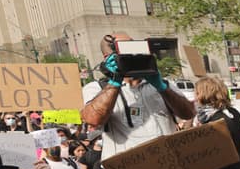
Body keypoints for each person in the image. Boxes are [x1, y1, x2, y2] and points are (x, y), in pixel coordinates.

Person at [80, 33, 196, 161]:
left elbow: (188, 113)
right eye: (125, 50)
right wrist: (114, 82)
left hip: (169, 165)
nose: (132, 55)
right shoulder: (97, 88)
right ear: (108, 58)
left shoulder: (163, 84)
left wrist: (161, 87)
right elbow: (93, 119)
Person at [194, 75, 240, 169]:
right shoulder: (232, 113)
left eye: (196, 93)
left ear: (204, 94)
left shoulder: (216, 121)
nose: (195, 98)